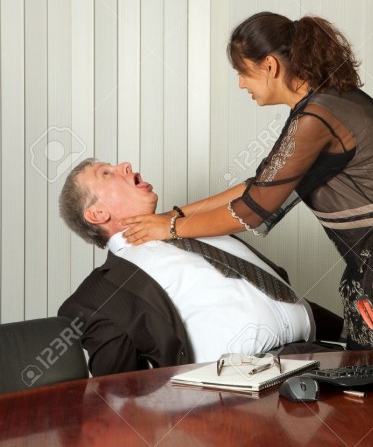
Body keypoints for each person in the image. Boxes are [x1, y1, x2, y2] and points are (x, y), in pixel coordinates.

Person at [122, 12, 373, 351]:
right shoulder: (325, 102)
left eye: (242, 72)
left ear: (270, 66)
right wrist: (175, 214)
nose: (241, 84)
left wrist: (170, 229)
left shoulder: (317, 116)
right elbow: (259, 186)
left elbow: (252, 210)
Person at [57, 158, 341, 377]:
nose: (125, 165)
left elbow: (269, 289)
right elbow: (122, 395)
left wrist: (352, 333)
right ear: (97, 213)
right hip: (244, 397)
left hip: (323, 360)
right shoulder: (99, 295)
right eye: (106, 173)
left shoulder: (204, 228)